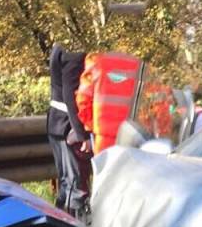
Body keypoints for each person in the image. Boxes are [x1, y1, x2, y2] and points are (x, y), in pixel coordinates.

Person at [47, 43, 91, 214]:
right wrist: (82, 134)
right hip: (68, 126)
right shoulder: (73, 50)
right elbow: (70, 95)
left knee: (67, 184)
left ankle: (60, 226)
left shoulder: (61, 45)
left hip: (58, 122)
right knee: (75, 185)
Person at [75, 51, 142, 154]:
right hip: (136, 136)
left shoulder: (96, 60)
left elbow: (83, 99)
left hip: (105, 137)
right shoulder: (142, 60)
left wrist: (93, 125)